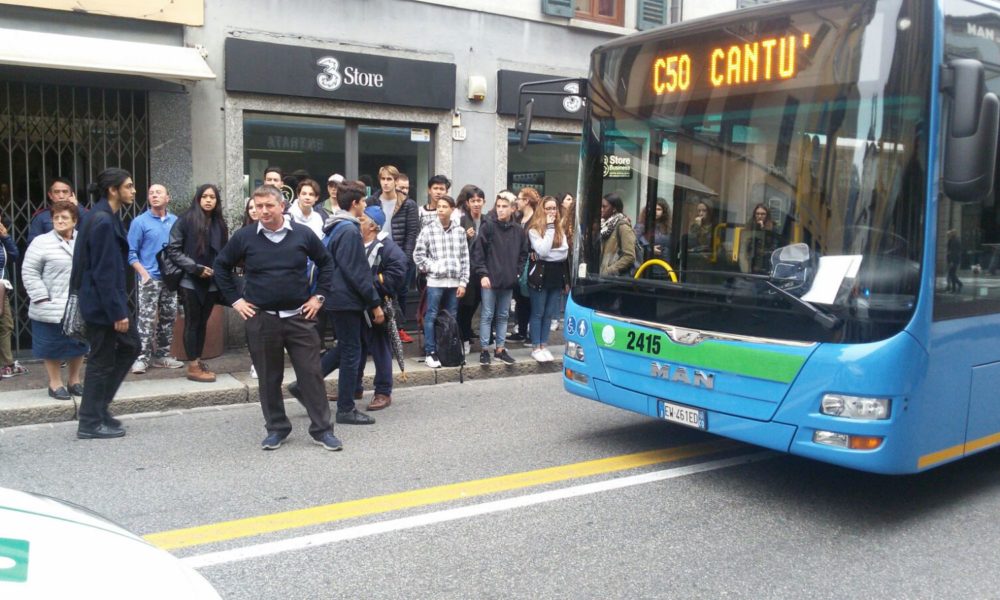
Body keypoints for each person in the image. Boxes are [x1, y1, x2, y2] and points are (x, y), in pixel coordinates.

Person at [214, 184, 340, 451]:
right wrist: (236, 301)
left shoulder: (303, 235)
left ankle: (322, 430)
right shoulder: (245, 237)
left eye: (269, 205)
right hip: (262, 320)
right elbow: (221, 267)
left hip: (300, 317)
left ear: (282, 206)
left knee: (311, 374)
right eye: (258, 206)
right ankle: (276, 428)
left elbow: (326, 263)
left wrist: (318, 297)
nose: (263, 211)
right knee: (268, 378)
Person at [288, 181, 384, 425]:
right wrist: (374, 303)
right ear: (354, 204)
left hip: (336, 297)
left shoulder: (335, 226)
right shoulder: (349, 230)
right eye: (363, 201)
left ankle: (303, 385)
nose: (364, 205)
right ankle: (345, 408)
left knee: (348, 348)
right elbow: (357, 272)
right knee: (352, 351)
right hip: (346, 300)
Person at [74, 167, 141, 439]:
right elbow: (103, 272)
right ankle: (90, 420)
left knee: (130, 346)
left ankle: (99, 409)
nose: (133, 191)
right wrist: (118, 312)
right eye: (129, 186)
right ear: (113, 190)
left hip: (104, 303)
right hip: (103, 307)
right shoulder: (101, 220)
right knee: (102, 361)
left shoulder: (103, 217)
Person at [21, 201, 88, 400]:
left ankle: (74, 380)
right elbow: (29, 271)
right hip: (50, 302)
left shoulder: (83, 241)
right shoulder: (41, 242)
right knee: (52, 344)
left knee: (79, 343)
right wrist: (41, 297)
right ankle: (55, 382)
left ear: (75, 221)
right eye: (56, 217)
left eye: (64, 217)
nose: (59, 220)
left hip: (78, 302)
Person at [165, 184, 229, 383]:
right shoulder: (185, 220)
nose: (209, 200)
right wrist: (195, 268)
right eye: (205, 196)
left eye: (212, 197)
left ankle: (197, 360)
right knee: (192, 323)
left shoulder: (219, 223)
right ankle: (192, 366)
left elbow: (225, 252)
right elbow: (173, 250)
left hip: (212, 281)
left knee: (202, 323)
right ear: (198, 198)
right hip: (190, 280)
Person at [127, 183, 183, 374]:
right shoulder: (140, 222)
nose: (154, 195)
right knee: (146, 320)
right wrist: (144, 275)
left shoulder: (176, 221)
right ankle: (141, 358)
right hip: (150, 278)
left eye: (159, 193)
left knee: (168, 318)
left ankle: (162, 355)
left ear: (168, 197)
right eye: (151, 193)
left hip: (171, 279)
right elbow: (131, 253)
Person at [356, 205, 407, 410]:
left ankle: (383, 391)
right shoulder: (355, 242)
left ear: (373, 226)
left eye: (361, 220)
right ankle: (353, 386)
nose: (357, 222)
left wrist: (372, 282)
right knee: (356, 349)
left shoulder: (387, 247)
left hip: (378, 305)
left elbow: (399, 271)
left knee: (380, 348)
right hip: (357, 305)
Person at [472, 192, 528, 365]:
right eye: (498, 206)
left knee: (503, 315)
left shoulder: (518, 230)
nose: (501, 210)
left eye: (505, 206)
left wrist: (517, 273)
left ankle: (500, 349)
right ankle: (484, 350)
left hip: (508, 279)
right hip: (489, 278)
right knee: (487, 315)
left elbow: (523, 254)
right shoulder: (488, 226)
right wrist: (482, 274)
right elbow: (478, 252)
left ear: (513, 208)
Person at [413, 194, 469, 368]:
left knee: (452, 317)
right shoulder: (428, 229)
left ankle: (448, 350)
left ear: (452, 210)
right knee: (431, 315)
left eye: (445, 206)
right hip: (435, 281)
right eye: (439, 206)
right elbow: (418, 255)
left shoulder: (459, 231)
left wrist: (463, 282)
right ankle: (431, 351)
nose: (441, 209)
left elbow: (465, 258)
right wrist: (434, 267)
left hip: (454, 281)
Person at [366, 166, 418, 344]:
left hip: (399, 255)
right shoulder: (372, 200)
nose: (386, 183)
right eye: (383, 179)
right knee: (378, 290)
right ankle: (379, 330)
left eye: (390, 179)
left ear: (396, 181)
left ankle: (399, 329)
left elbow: (412, 233)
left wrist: (406, 257)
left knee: (400, 292)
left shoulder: (408, 204)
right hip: (376, 253)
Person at [527, 196, 569, 362]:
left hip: (556, 275)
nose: (552, 212)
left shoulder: (560, 229)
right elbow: (543, 250)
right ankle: (535, 346)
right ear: (542, 209)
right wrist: (550, 228)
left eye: (554, 208)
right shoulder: (534, 229)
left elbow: (564, 253)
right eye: (548, 208)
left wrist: (546, 254)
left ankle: (544, 344)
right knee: (538, 312)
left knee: (549, 313)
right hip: (540, 275)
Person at [457, 186, 486, 354]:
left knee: (485, 308)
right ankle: (464, 339)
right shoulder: (461, 222)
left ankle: (485, 342)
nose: (476, 204)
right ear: (467, 203)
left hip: (484, 271)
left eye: (479, 201)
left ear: (483, 202)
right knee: (466, 308)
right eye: (473, 201)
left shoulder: (488, 221)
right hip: (467, 271)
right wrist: (465, 237)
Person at [510, 187, 540, 342]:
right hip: (517, 260)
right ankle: (521, 331)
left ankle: (529, 332)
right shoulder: (517, 218)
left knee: (529, 297)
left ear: (527, 201)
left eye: (519, 198)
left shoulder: (536, 219)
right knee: (520, 297)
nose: (517, 201)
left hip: (530, 261)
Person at [27, 177, 88, 246]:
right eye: (57, 192)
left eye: (65, 192)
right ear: (50, 195)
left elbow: (90, 227)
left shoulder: (81, 212)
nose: (61, 196)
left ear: (71, 194)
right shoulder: (41, 217)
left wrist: (77, 206)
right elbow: (32, 243)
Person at [599, 193, 638, 277]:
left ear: (614, 209)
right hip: (602, 277)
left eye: (604, 207)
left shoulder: (622, 226)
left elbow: (629, 256)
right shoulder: (603, 225)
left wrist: (608, 271)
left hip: (615, 279)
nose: (601, 209)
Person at [740, 203, 778, 275]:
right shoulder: (750, 225)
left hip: (766, 263)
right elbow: (746, 243)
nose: (760, 216)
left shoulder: (773, 228)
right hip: (751, 263)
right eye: (757, 214)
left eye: (763, 214)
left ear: (767, 215)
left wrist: (763, 229)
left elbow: (774, 246)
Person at [947, 228, 963, 293]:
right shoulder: (954, 240)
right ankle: (954, 288)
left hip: (954, 260)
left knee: (951, 274)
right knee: (952, 274)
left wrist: (952, 261)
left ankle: (959, 284)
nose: (949, 234)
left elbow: (954, 252)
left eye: (951, 233)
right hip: (954, 260)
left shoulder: (954, 241)